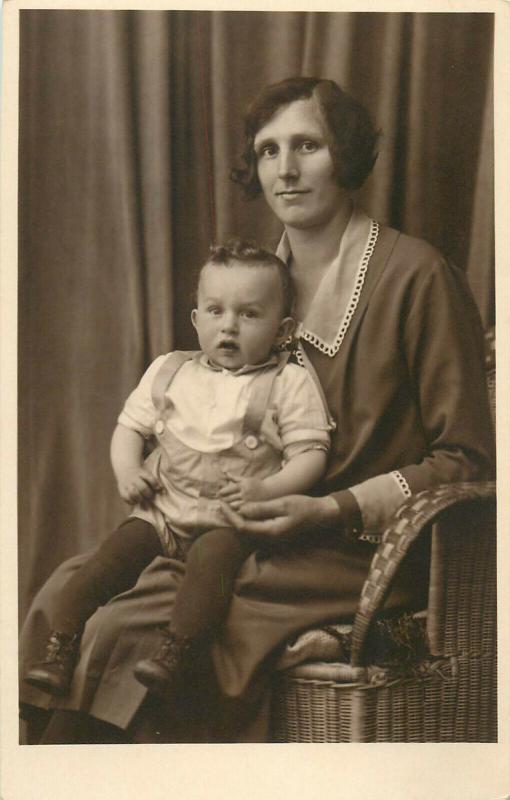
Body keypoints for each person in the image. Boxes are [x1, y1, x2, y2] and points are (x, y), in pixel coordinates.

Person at [19, 77, 494, 744]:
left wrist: (330, 507)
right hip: (233, 534)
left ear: (347, 156)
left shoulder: (418, 277)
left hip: (353, 552)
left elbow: (468, 461)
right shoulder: (247, 290)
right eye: (269, 151)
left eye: (308, 146)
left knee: (141, 630)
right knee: (69, 589)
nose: (287, 170)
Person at [23, 239, 332, 700]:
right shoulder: (171, 371)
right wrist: (128, 471)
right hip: (163, 511)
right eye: (215, 311)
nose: (228, 326)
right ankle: (60, 646)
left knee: (211, 567)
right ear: (196, 318)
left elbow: (311, 454)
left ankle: (178, 650)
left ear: (282, 329)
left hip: (231, 519)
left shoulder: (288, 383)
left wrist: (266, 489)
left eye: (248, 315)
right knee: (106, 561)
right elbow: (128, 429)